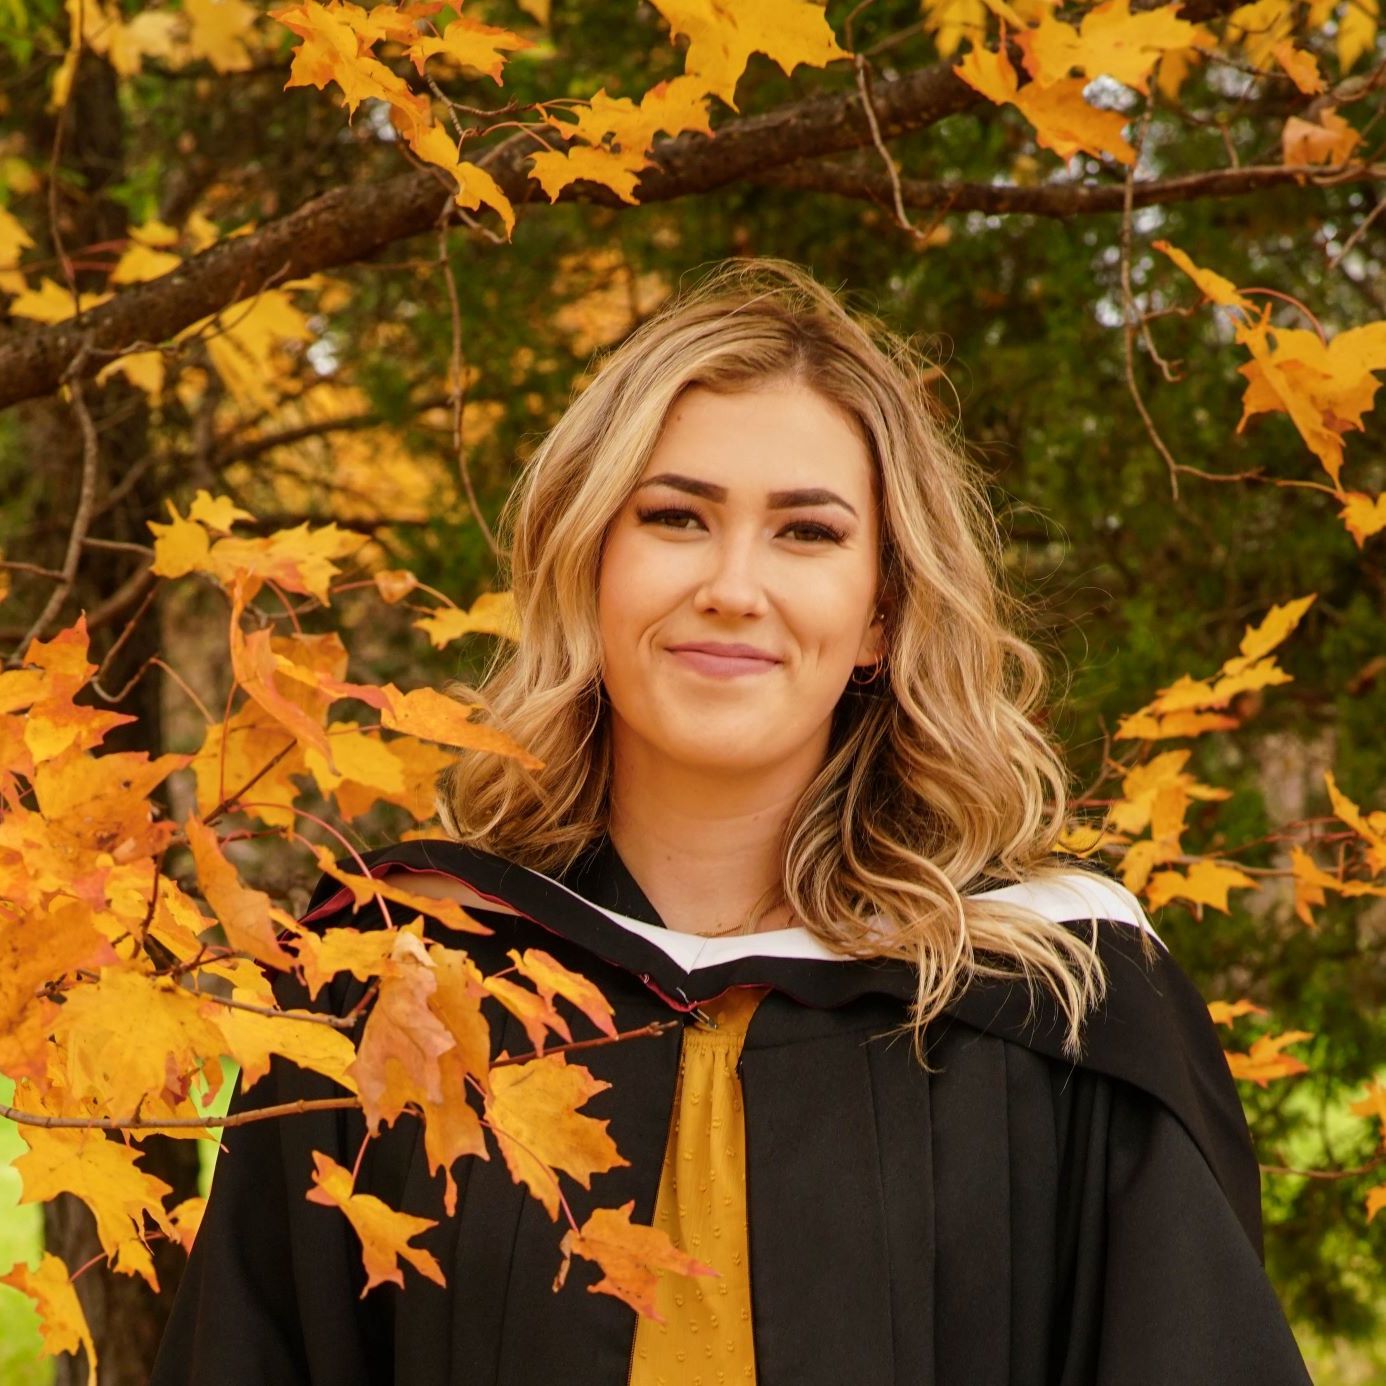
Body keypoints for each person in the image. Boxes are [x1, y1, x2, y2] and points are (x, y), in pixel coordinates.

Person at [151, 258, 1313, 1384]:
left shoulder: (1059, 1000)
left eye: (807, 532)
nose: (734, 586)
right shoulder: (406, 980)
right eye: (675, 517)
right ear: (588, 563)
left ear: (880, 615)